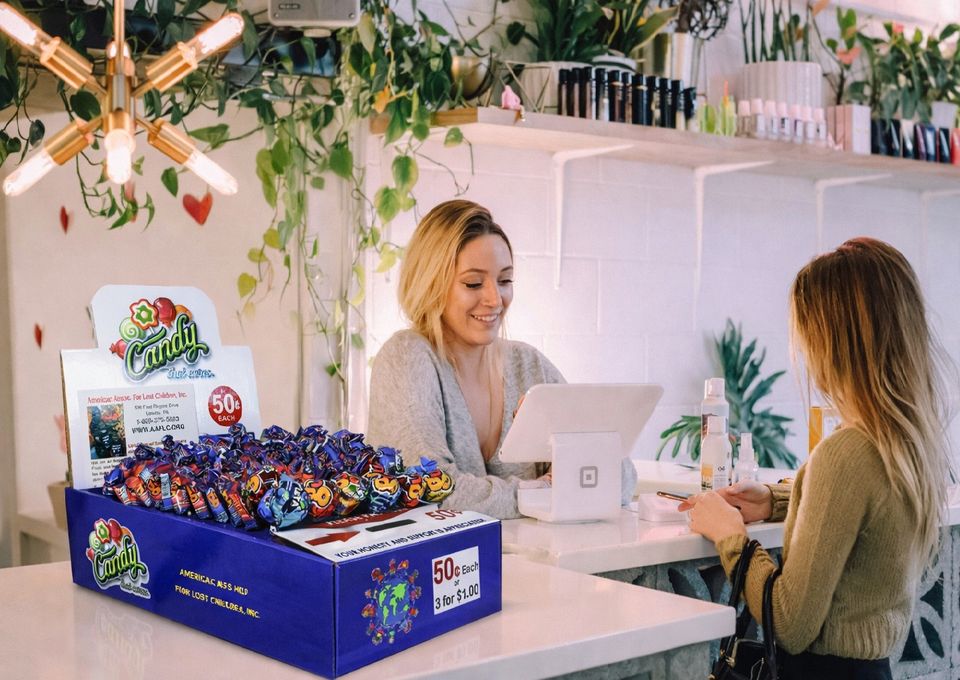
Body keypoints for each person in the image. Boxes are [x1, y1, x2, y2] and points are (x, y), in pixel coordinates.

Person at [680, 237, 954, 680]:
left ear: (833, 342)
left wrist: (730, 535)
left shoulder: (846, 453)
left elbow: (788, 622)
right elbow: (864, 513)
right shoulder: (908, 442)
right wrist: (778, 502)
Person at [367, 199, 636, 519]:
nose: (495, 299)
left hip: (539, 563)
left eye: (505, 280)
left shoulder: (528, 365)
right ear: (430, 284)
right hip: (447, 567)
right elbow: (428, 489)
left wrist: (562, 448)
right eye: (473, 283)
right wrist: (539, 493)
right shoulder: (407, 358)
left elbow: (620, 480)